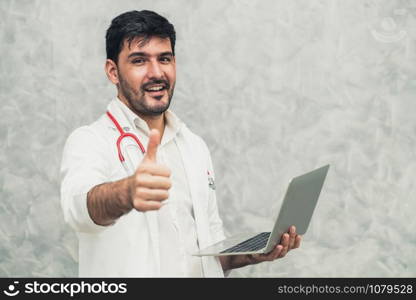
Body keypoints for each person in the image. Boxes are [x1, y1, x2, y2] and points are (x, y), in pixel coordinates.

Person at [60, 10, 301, 277]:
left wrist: (248, 254)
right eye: (139, 61)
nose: (156, 73)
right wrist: (127, 193)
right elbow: (79, 210)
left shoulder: (194, 146)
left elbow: (207, 253)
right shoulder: (89, 141)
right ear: (113, 72)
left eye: (164, 59)